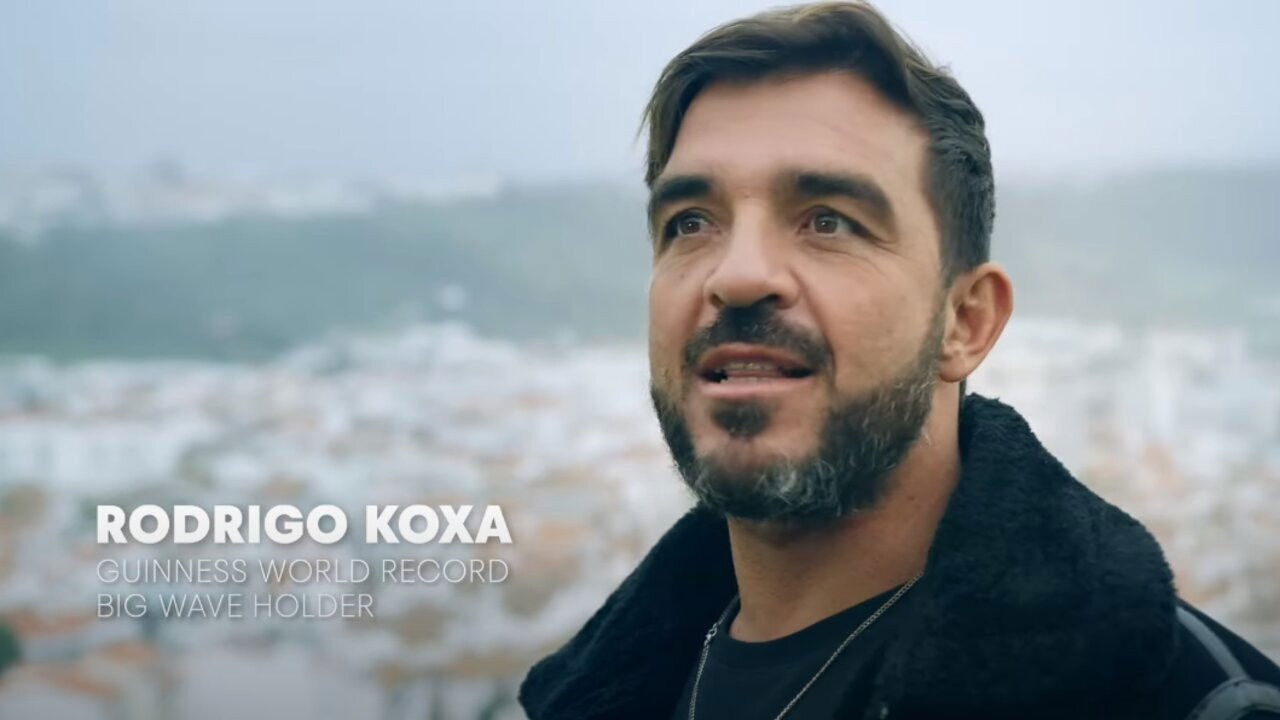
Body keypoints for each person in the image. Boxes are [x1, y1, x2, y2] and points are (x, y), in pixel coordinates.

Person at [519, 2, 1280, 718]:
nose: (737, 274)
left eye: (828, 220)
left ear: (965, 322)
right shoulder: (605, 689)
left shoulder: (1192, 699)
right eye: (690, 222)